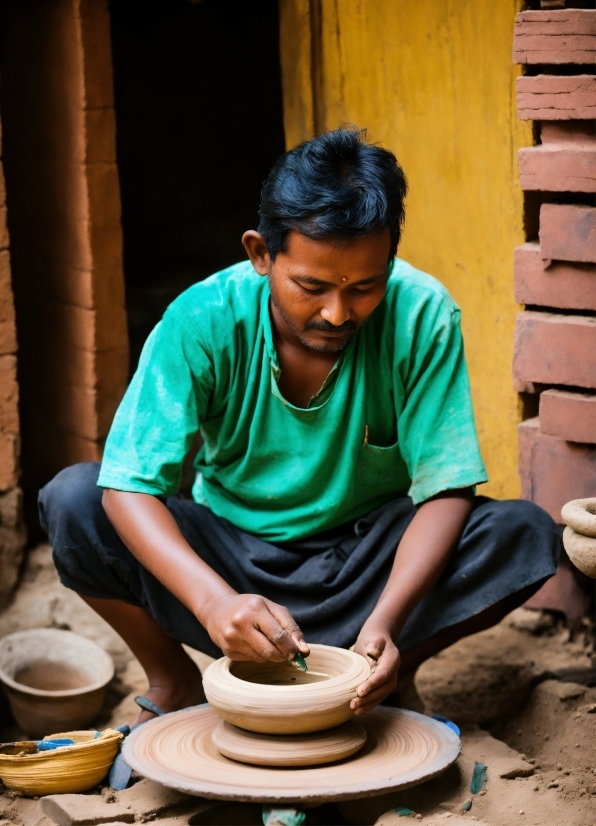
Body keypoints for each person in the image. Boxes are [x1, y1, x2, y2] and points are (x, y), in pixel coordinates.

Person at [39, 127, 560, 725]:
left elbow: (446, 489)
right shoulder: (201, 318)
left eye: (365, 287)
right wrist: (213, 603)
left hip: (365, 561)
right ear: (261, 254)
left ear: (389, 259)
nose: (338, 313)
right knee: (75, 500)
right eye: (311, 287)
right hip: (231, 556)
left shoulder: (422, 312)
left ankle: (380, 669)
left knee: (521, 533)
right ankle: (177, 681)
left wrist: (387, 620)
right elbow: (128, 484)